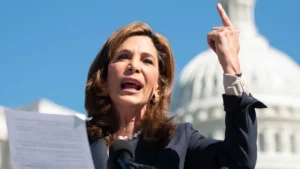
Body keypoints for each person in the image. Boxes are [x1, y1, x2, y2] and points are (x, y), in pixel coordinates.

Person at [85, 3, 267, 169]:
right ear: (104, 78)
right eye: (123, 57)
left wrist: (231, 66)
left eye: (147, 61)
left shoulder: (179, 141)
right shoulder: (80, 140)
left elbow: (239, 161)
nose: (134, 66)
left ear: (158, 87)